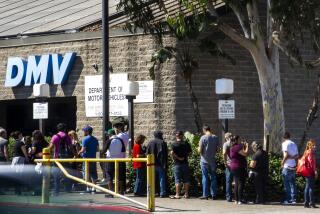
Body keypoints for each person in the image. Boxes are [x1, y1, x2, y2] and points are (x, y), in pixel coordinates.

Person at [48, 123, 74, 196]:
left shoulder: (55, 136)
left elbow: (50, 147)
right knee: (67, 174)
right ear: (65, 129)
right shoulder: (67, 136)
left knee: (56, 175)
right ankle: (68, 189)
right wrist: (75, 155)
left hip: (57, 158)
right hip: (65, 158)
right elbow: (71, 147)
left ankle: (56, 191)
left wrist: (45, 153)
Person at [103, 129, 127, 196]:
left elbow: (103, 151)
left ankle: (111, 192)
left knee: (109, 176)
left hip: (110, 160)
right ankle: (121, 192)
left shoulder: (109, 140)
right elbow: (123, 150)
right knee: (120, 176)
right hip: (119, 160)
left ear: (110, 135)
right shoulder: (121, 140)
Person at [198, 124, 219, 200]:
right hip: (212, 160)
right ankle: (214, 194)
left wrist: (200, 153)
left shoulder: (203, 138)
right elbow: (217, 149)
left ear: (204, 130)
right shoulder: (215, 137)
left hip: (204, 160)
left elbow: (200, 150)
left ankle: (205, 195)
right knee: (213, 177)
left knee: (205, 177)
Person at [170, 131, 192, 199]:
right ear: (182, 135)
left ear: (176, 136)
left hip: (177, 164)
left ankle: (177, 194)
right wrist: (185, 157)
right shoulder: (186, 143)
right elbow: (190, 153)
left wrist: (178, 158)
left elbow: (172, 153)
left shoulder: (174, 144)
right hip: (185, 163)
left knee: (177, 180)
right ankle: (186, 194)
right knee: (186, 179)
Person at [146, 130, 168, 198]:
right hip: (160, 163)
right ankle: (162, 193)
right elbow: (165, 154)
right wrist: (165, 163)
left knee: (152, 179)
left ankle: (152, 192)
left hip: (151, 163)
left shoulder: (150, 142)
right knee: (162, 178)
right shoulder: (162, 142)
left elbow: (147, 153)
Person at [78, 125, 99, 194]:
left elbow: (83, 149)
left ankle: (88, 188)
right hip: (93, 158)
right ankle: (94, 188)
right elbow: (97, 150)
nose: (83, 132)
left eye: (84, 131)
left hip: (86, 159)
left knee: (86, 173)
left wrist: (79, 152)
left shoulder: (85, 139)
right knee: (93, 173)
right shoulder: (95, 139)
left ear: (87, 131)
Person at [229, 135, 249, 205]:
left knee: (236, 183)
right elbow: (245, 154)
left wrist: (243, 147)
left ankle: (236, 200)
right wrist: (247, 146)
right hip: (239, 166)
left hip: (233, 167)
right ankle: (240, 199)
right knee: (241, 183)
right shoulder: (237, 147)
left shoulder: (232, 147)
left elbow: (239, 154)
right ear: (237, 140)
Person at [281, 132, 298, 204]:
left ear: (284, 138)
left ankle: (287, 200)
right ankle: (293, 199)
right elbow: (297, 155)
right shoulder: (294, 144)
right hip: (293, 166)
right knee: (292, 184)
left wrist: (282, 162)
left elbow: (286, 154)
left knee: (286, 184)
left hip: (287, 166)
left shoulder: (284, 143)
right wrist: (293, 159)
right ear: (289, 137)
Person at [30, 130, 49, 195]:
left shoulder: (34, 142)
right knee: (43, 176)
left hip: (37, 161)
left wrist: (30, 151)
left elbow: (33, 151)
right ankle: (43, 191)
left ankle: (36, 191)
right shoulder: (44, 141)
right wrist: (43, 153)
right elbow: (49, 147)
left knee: (36, 177)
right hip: (44, 160)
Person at [11, 131, 29, 195]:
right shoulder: (21, 143)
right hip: (20, 159)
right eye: (21, 135)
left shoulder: (15, 143)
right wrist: (27, 158)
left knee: (16, 175)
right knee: (20, 175)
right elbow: (24, 152)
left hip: (14, 160)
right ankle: (18, 191)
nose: (22, 136)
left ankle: (16, 190)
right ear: (19, 135)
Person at [301, 139, 318, 208]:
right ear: (311, 146)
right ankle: (312, 203)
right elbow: (311, 163)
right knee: (311, 187)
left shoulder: (306, 152)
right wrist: (315, 171)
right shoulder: (310, 152)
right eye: (314, 145)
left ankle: (306, 203)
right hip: (310, 171)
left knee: (307, 187)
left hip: (306, 171)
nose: (315, 146)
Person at [223, 132, 233, 202]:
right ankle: (237, 196)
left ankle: (229, 197)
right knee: (236, 181)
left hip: (229, 164)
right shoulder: (235, 143)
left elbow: (224, 153)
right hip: (236, 164)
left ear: (226, 137)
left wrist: (225, 162)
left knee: (228, 181)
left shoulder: (226, 144)